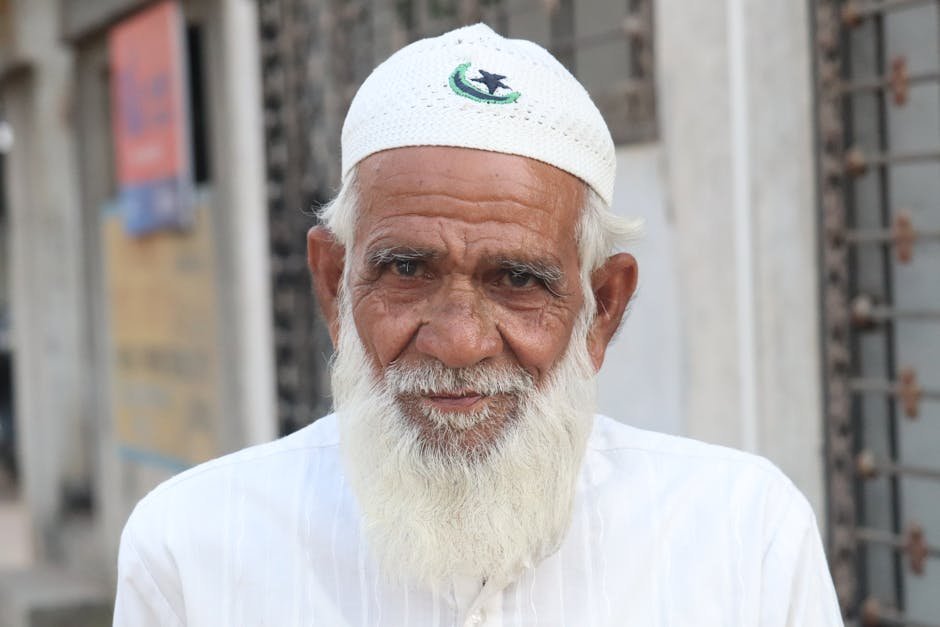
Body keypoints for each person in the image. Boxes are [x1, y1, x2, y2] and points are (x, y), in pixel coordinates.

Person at [113, 23, 843, 626]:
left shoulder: (745, 536)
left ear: (602, 308)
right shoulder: (192, 548)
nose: (459, 341)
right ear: (334, 286)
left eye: (518, 280)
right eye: (407, 269)